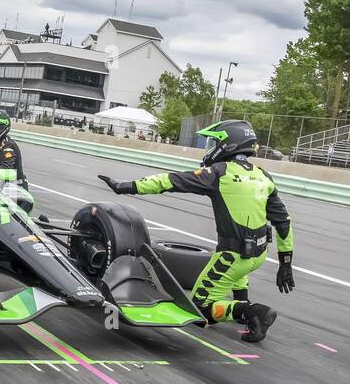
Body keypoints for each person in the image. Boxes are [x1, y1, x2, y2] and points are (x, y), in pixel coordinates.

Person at [97, 120, 294, 343]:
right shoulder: (263, 176)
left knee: (200, 307)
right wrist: (285, 263)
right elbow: (284, 222)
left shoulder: (219, 173)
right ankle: (243, 304)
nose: (211, 148)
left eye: (215, 142)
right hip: (258, 256)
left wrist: (126, 186)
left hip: (232, 256)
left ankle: (252, 313)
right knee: (237, 270)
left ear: (227, 144)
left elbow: (170, 180)